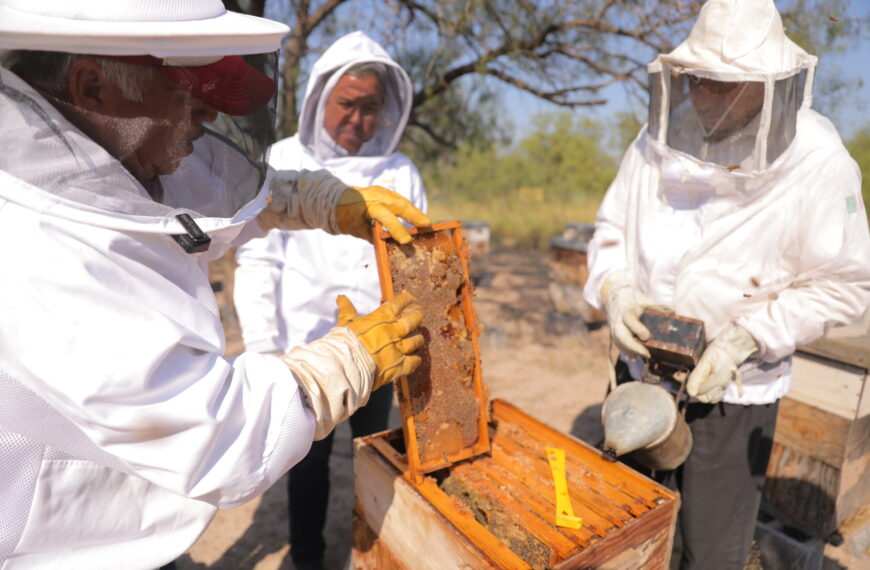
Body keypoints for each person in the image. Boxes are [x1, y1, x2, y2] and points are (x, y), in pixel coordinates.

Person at [0, 2, 433, 568]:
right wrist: (338, 367)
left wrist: (311, 199)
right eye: (188, 91)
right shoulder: (36, 247)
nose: (207, 114)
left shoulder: (85, 143)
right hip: (60, 548)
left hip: (116, 520)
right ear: (92, 84)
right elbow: (217, 435)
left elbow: (200, 189)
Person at [583, 1, 870, 568]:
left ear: (767, 85)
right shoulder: (654, 138)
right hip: (641, 376)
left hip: (732, 394)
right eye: (699, 82)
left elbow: (845, 284)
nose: (706, 98)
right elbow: (611, 226)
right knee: (628, 528)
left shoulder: (819, 161)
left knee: (712, 549)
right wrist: (614, 286)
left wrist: (746, 339)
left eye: (725, 86)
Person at [232, 30, 426, 570]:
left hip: (380, 345)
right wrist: (265, 347)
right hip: (302, 349)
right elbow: (258, 260)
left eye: (370, 108)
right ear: (321, 99)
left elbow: (414, 263)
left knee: (380, 457)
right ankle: (309, 557)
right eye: (347, 104)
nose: (357, 120)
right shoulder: (285, 160)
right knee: (306, 461)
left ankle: (379, 552)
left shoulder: (401, 171)